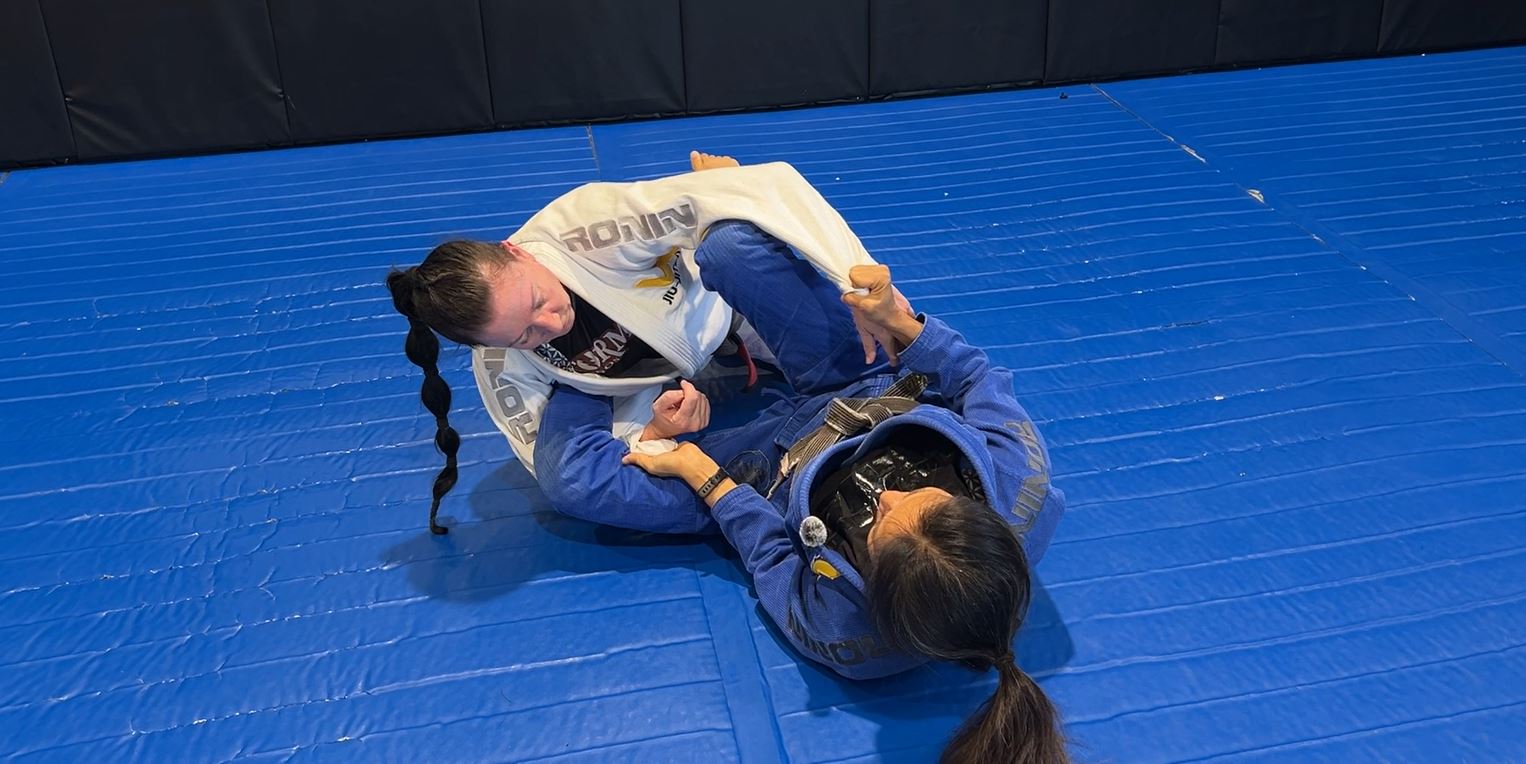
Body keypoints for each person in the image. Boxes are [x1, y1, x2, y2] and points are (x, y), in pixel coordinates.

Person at [553, 220, 1068, 763]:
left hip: (766, 467)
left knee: (575, 482)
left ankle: (579, 344)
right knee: (728, 248)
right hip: (864, 384)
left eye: (878, 532)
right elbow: (975, 378)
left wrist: (703, 475)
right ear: (978, 509)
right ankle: (751, 336)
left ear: (878, 595)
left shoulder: (850, 635)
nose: (888, 498)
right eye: (919, 498)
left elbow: (771, 554)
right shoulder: (1021, 485)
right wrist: (900, 323)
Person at [386, 152, 906, 534]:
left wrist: (855, 285)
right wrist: (655, 430)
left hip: (722, 311)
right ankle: (762, 484)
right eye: (524, 333)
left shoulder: (583, 226)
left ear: (516, 253)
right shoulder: (499, 361)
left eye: (536, 301)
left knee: (731, 242)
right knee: (567, 480)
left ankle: (853, 393)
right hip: (631, 388)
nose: (550, 322)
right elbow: (585, 468)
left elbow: (773, 184)